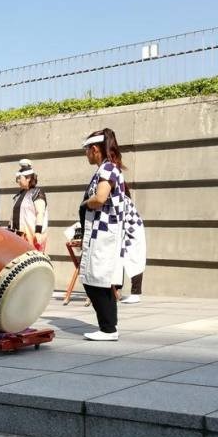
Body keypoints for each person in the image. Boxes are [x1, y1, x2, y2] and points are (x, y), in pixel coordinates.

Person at [78, 128, 127, 341]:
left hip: (104, 232)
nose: (86, 154)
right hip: (100, 231)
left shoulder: (107, 168)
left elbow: (99, 198)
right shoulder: (106, 168)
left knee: (97, 278)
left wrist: (85, 203)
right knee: (96, 279)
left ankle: (108, 329)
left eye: (87, 150)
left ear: (95, 149)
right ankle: (108, 327)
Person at [10, 159, 48, 251]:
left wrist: (38, 232)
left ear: (28, 178)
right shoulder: (18, 195)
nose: (18, 181)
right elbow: (13, 216)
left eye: (20, 178)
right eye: (17, 178)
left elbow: (40, 213)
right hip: (17, 237)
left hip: (31, 236)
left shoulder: (37, 193)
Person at [117, 185, 146, 304]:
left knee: (135, 261)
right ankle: (117, 290)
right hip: (124, 233)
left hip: (132, 233)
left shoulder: (122, 200)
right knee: (119, 261)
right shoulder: (120, 199)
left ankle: (135, 293)